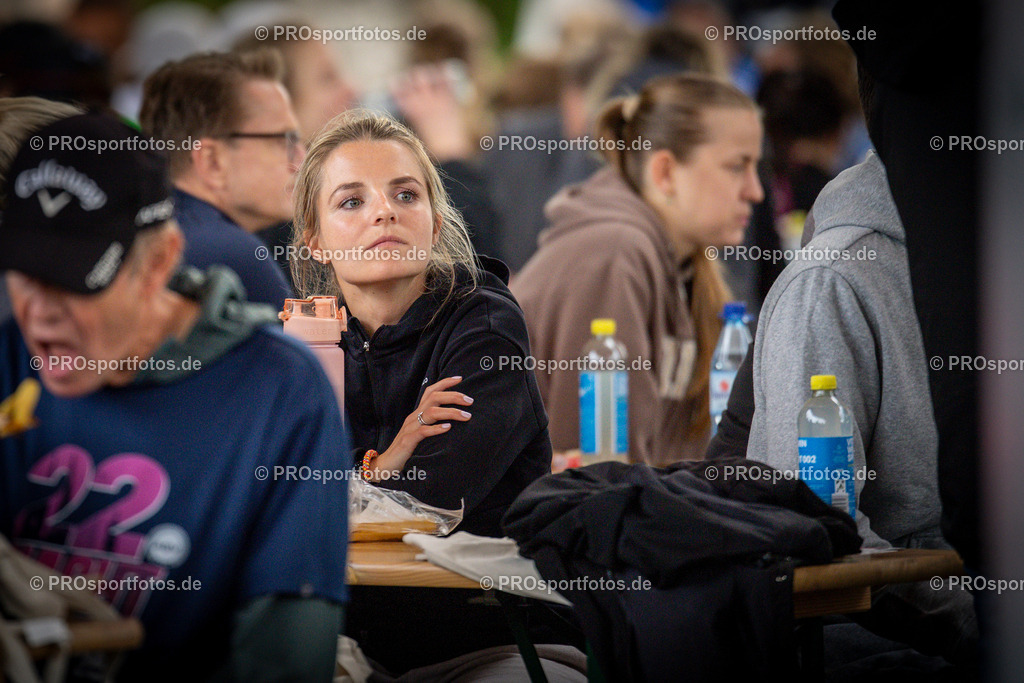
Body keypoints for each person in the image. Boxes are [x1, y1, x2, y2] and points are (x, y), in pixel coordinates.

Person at [0, 106, 349, 682]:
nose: (40, 314)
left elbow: (283, 662)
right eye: (23, 274)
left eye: (73, 280)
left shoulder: (279, 391)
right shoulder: (8, 354)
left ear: (160, 261)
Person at [290, 108, 555, 674]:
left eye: (406, 195)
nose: (384, 210)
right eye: (351, 201)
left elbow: (432, 503)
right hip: (344, 643)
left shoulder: (483, 324)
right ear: (314, 241)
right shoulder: (302, 336)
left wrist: (355, 481)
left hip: (488, 641)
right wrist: (384, 462)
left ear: (435, 222)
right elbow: (267, 497)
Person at [512, 73, 764, 465]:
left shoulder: (677, 260)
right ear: (665, 173)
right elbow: (593, 473)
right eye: (737, 166)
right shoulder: (613, 253)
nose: (755, 190)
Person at [139, 49, 297, 309]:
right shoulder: (234, 256)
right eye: (283, 140)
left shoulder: (144, 229)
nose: (301, 158)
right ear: (212, 161)